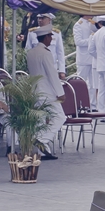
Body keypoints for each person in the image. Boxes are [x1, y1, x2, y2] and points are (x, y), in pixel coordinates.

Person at [27, 26, 66, 158]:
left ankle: (41, 153)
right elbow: (52, 74)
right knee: (60, 117)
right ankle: (41, 140)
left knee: (41, 120)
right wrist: (60, 92)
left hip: (35, 91)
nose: (51, 39)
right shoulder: (45, 53)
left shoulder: (31, 52)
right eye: (50, 37)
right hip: (47, 91)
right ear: (46, 37)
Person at [25, 13, 67, 78]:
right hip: (37, 68)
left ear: (49, 19)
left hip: (52, 67)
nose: (40, 20)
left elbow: (60, 53)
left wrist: (62, 70)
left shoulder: (56, 33)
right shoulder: (32, 32)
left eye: (43, 18)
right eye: (39, 18)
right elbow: (27, 50)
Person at [73, 14, 97, 87]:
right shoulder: (78, 24)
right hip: (84, 58)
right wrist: (92, 40)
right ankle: (79, 98)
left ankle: (92, 99)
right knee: (81, 82)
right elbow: (78, 42)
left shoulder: (93, 23)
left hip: (93, 57)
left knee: (93, 84)